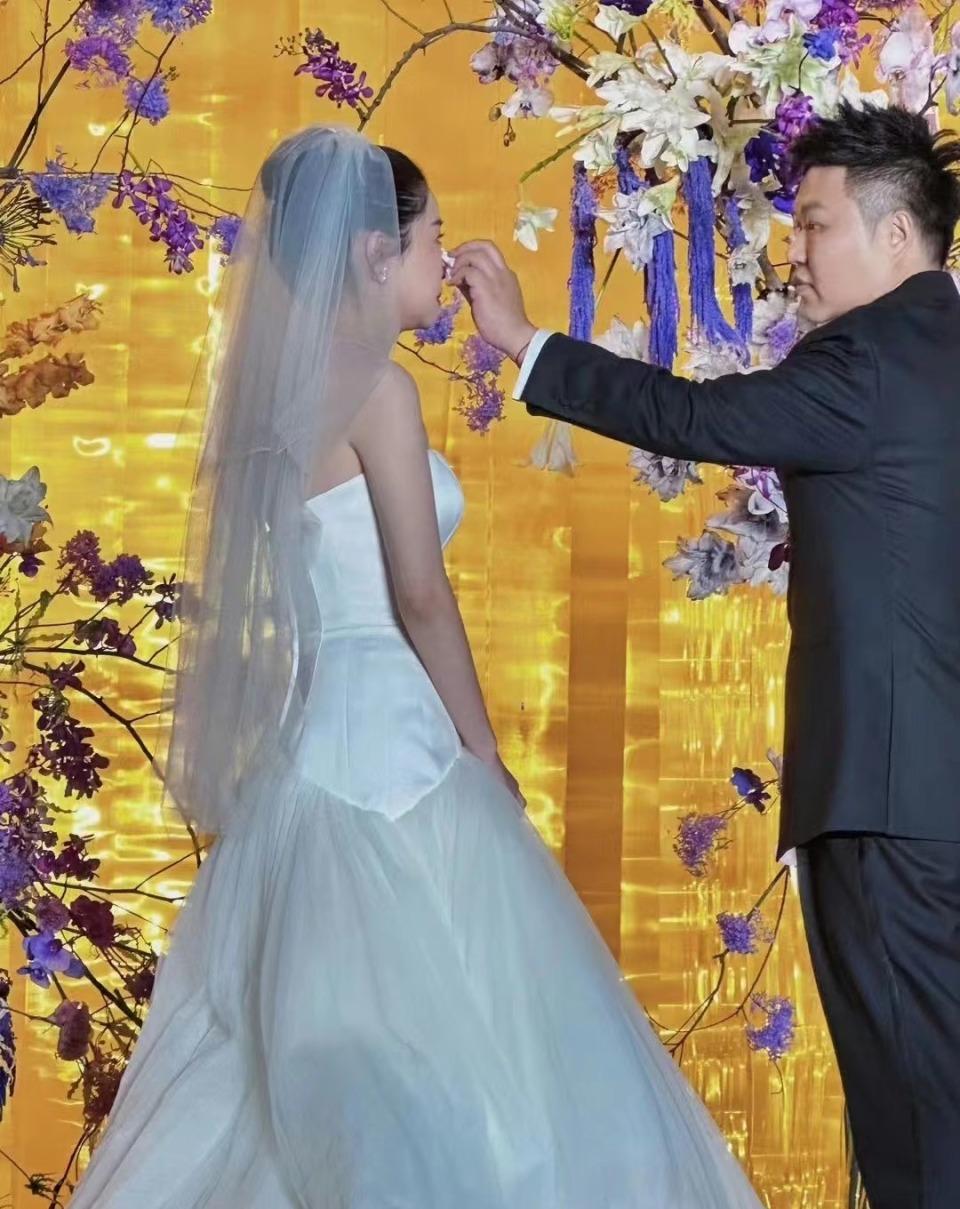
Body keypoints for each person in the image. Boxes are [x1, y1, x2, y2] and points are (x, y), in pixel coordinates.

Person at [66, 127, 762, 1208]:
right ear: (373, 253)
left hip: (309, 748)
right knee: (479, 1068)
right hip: (403, 753)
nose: (449, 254)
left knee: (291, 1072)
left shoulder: (270, 398)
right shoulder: (379, 393)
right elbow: (419, 594)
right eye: (434, 234)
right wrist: (482, 752)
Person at [451, 101, 960, 1209]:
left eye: (814, 225)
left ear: (894, 235)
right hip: (936, 796)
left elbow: (690, 415)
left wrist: (526, 344)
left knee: (917, 1117)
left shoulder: (868, 359)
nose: (793, 254)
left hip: (884, 802)